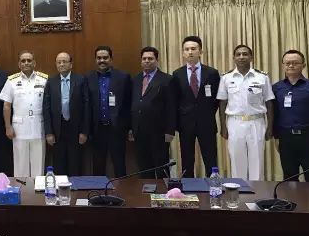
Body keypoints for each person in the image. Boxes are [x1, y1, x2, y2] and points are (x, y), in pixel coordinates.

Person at [218, 44, 275, 181]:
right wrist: (223, 126)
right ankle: (240, 191)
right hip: (235, 122)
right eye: (238, 54)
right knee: (237, 160)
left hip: (257, 122)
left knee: (257, 161)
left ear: (251, 57)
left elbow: (269, 102)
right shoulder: (226, 78)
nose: (241, 57)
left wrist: (270, 127)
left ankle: (257, 191)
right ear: (234, 58)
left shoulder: (262, 77)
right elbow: (222, 103)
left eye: (245, 54)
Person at [272, 49, 309, 182]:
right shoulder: (276, 88)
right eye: (287, 63)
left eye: (295, 63)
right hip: (286, 139)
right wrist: (276, 136)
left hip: (308, 138)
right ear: (283, 65)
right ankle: (291, 197)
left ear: (303, 65)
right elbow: (274, 114)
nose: (291, 66)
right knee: (289, 178)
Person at [172, 35, 221, 177]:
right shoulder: (177, 74)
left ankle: (213, 185)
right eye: (187, 49)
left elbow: (217, 99)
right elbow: (176, 100)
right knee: (187, 160)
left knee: (210, 158)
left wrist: (206, 113)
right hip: (185, 124)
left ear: (200, 51)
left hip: (206, 122)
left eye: (193, 49)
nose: (190, 52)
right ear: (183, 53)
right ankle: (188, 186)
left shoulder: (212, 73)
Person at [0, 51, 48, 177]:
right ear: (19, 64)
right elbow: (6, 106)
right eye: (23, 61)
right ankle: (22, 188)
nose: (26, 63)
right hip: (19, 129)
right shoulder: (12, 80)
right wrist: (8, 127)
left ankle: (37, 188)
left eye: (29, 60)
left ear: (34, 63)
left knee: (38, 164)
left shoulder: (44, 79)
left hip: (38, 128)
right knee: (20, 165)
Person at [130, 47, 176, 178]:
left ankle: (163, 190)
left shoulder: (167, 79)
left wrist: (170, 131)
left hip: (159, 132)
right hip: (139, 131)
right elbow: (132, 104)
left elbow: (171, 107)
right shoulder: (135, 80)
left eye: (150, 58)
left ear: (157, 60)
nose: (147, 61)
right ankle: (146, 190)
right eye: (144, 59)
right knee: (144, 168)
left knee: (161, 167)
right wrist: (131, 128)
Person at [86, 46, 132, 177]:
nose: (102, 60)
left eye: (105, 58)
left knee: (119, 163)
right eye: (99, 58)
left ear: (111, 59)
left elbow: (129, 104)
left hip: (116, 128)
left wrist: (130, 127)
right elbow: (86, 105)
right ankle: (98, 189)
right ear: (95, 60)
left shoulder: (123, 77)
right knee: (98, 164)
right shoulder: (88, 78)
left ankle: (122, 189)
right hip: (97, 129)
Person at [43, 52, 89, 176]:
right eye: (59, 62)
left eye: (64, 62)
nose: (61, 64)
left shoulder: (80, 80)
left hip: (76, 128)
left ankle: (76, 187)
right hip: (58, 129)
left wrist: (84, 131)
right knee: (59, 164)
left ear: (71, 64)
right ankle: (61, 186)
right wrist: (49, 132)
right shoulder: (51, 81)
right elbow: (46, 108)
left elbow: (86, 107)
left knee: (75, 163)